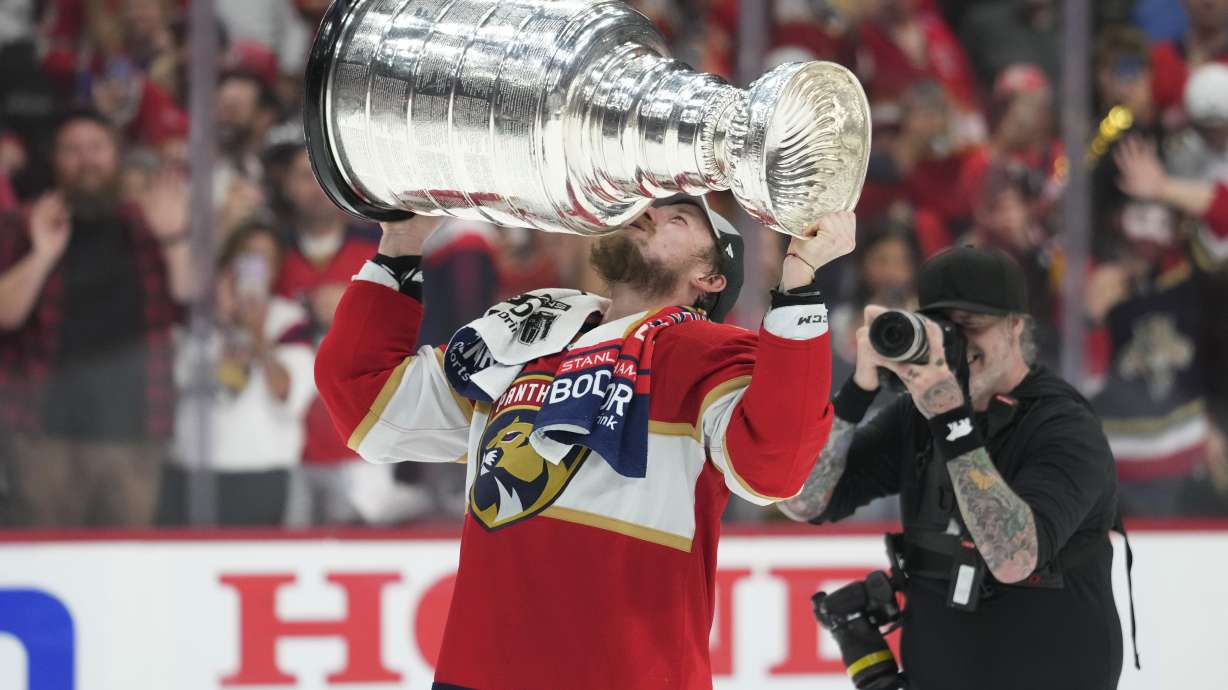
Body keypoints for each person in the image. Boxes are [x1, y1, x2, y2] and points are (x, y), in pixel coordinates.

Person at [315, 199, 856, 690]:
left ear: (709, 278)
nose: (649, 214)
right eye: (647, 208)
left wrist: (799, 284)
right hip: (475, 677)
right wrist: (401, 244)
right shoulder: (526, 335)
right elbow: (366, 403)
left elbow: (775, 467)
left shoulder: (710, 358)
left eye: (678, 218)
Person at [780, 246, 1124, 690]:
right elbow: (800, 500)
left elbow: (1015, 557)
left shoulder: (1062, 425)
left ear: (1016, 326)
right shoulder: (916, 416)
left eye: (973, 326)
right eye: (945, 328)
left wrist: (952, 420)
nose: (959, 343)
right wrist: (858, 391)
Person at [0, 109, 194, 526]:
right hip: (43, 435)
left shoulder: (147, 223)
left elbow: (193, 300)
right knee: (46, 565)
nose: (86, 159)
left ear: (116, 155)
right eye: (72, 150)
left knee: (127, 570)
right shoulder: (24, 223)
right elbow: (6, 315)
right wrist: (41, 254)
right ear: (55, 160)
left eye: (96, 147)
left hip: (133, 432)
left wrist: (175, 238)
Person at [162, 221, 315, 526]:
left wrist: (257, 334)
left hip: (260, 470)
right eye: (247, 255)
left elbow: (288, 393)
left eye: (264, 259)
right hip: (193, 468)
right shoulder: (200, 316)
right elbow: (179, 378)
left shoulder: (289, 320)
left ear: (275, 270)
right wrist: (220, 320)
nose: (253, 267)